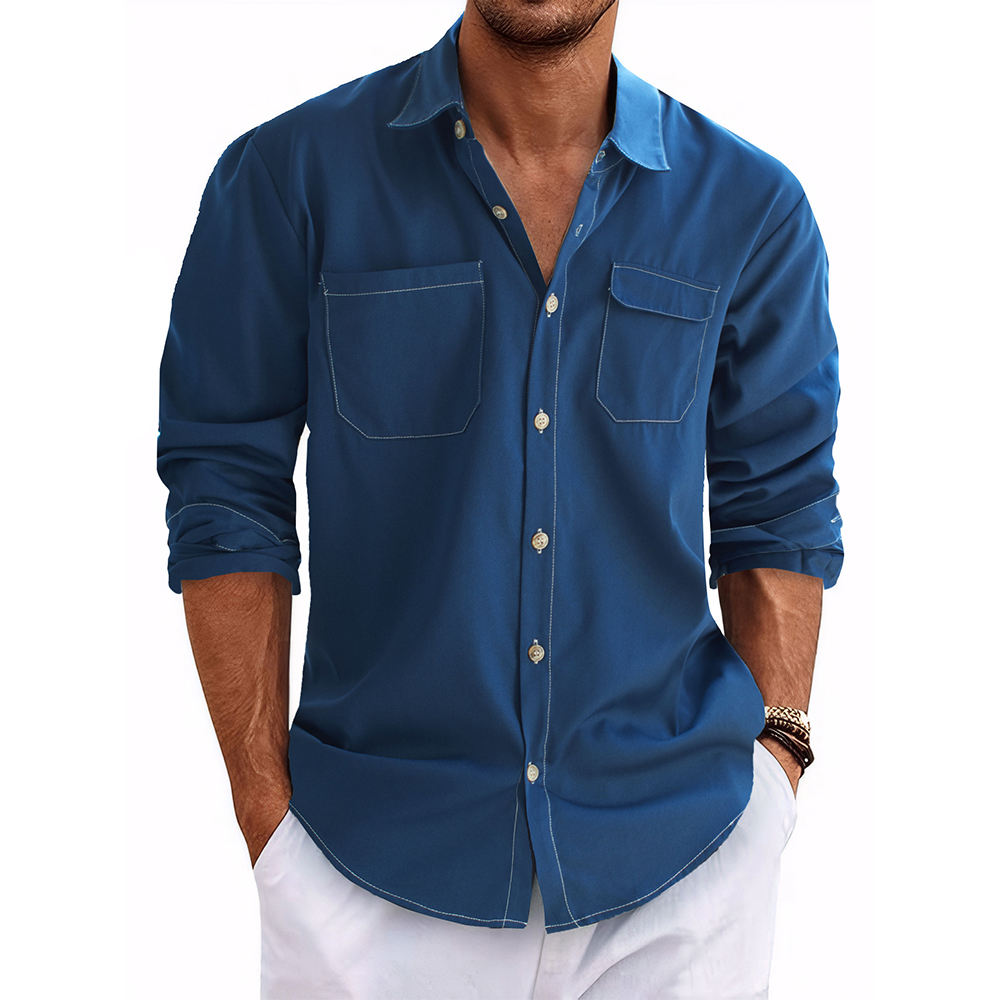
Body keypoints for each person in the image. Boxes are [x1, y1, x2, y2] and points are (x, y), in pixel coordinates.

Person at [157, 1, 844, 996]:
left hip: (683, 876)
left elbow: (778, 505)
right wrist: (265, 815)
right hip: (367, 880)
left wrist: (776, 766)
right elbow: (225, 489)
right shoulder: (287, 178)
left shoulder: (750, 207)